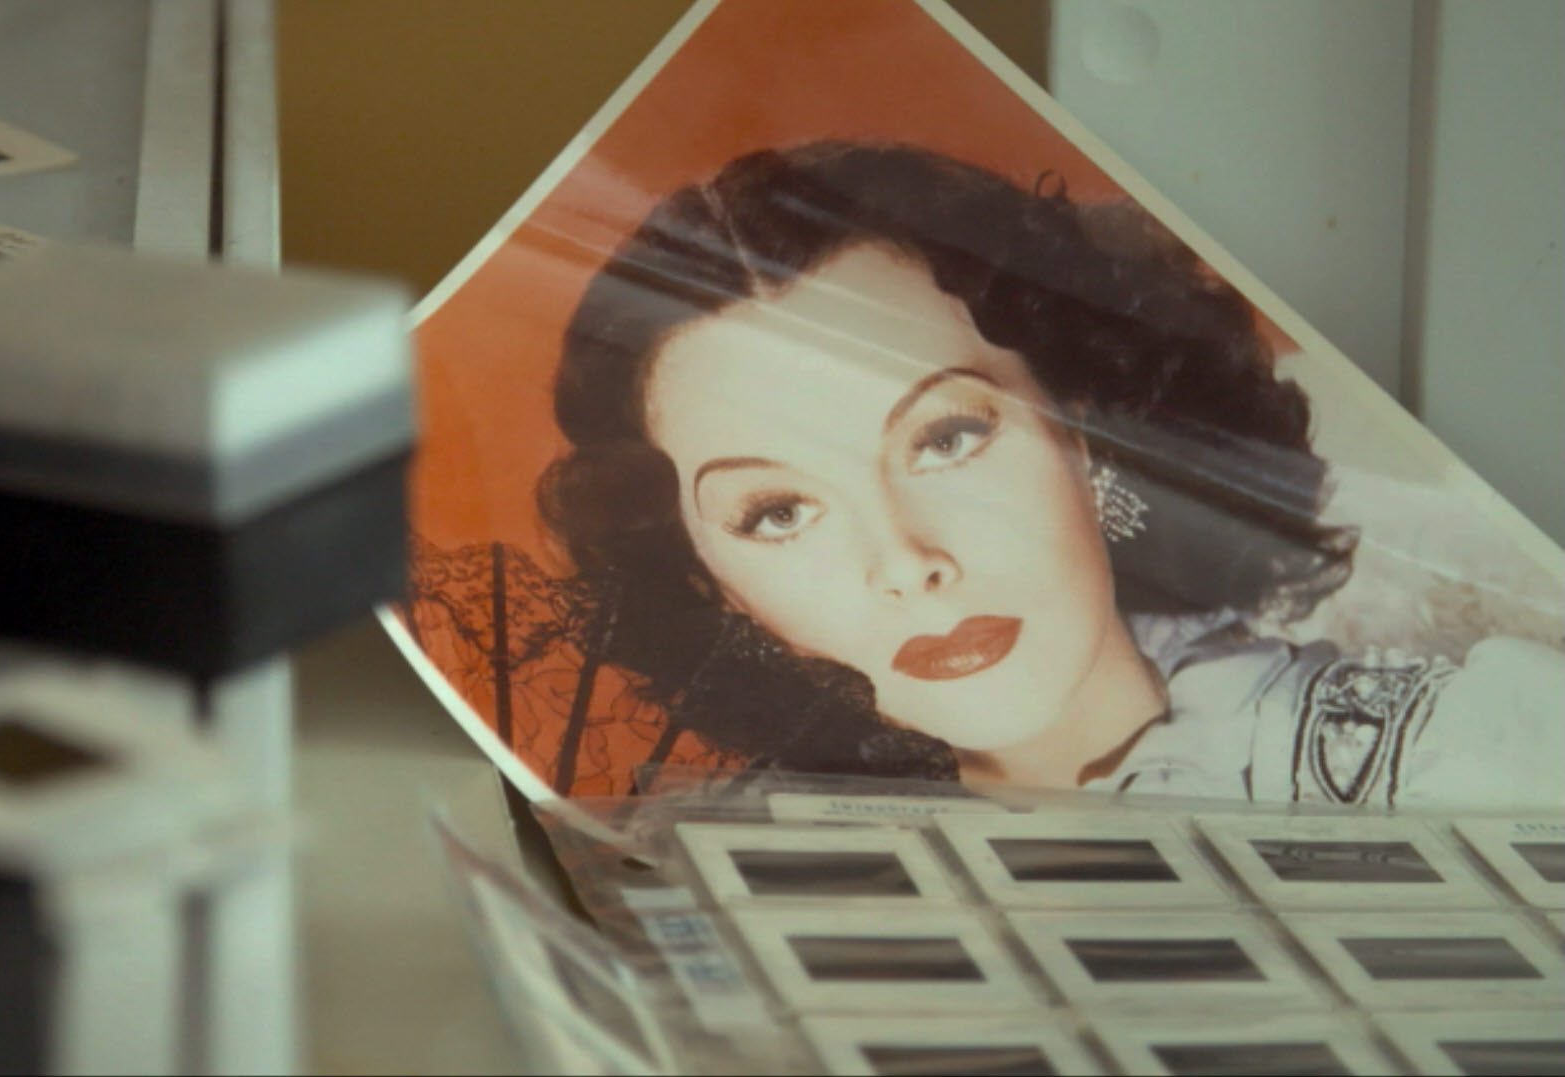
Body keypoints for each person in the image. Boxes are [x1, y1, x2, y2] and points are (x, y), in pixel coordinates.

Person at [535, 140, 1563, 807]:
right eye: (775, 511)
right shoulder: (725, 871)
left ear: (1085, 424)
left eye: (945, 439)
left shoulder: (1462, 758)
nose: (906, 561)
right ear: (710, 579)